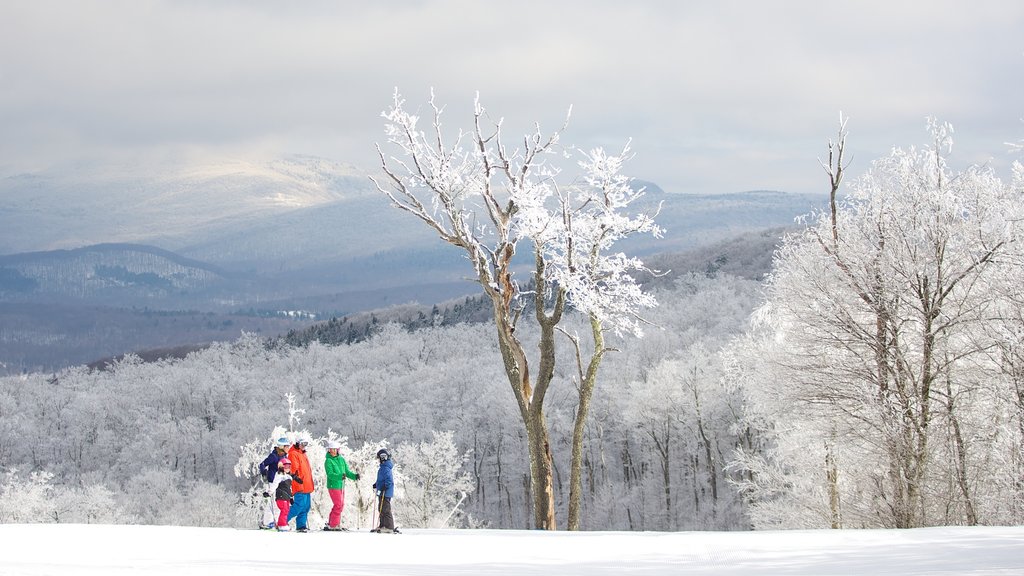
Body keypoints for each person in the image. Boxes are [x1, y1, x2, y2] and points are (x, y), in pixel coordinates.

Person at [324, 440, 360, 531]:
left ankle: (332, 523)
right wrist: (340, 476)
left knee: (341, 505)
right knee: (338, 505)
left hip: (341, 486)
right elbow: (330, 474)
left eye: (335, 449)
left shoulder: (341, 459)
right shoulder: (328, 461)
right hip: (333, 485)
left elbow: (347, 472)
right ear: (329, 450)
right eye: (331, 449)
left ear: (338, 450)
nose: (333, 451)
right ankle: (334, 525)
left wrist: (355, 476)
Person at [257, 436, 290, 529]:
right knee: (272, 503)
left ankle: (273, 521)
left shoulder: (284, 456)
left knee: (277, 504)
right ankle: (267, 522)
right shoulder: (274, 456)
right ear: (281, 447)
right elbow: (262, 464)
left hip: (280, 482)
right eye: (287, 446)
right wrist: (264, 473)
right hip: (272, 482)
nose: (288, 448)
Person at [286, 437, 314, 532]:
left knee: (306, 506)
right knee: (299, 505)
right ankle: (282, 521)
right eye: (302, 444)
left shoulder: (303, 454)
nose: (303, 446)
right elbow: (293, 469)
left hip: (307, 485)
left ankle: (301, 525)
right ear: (297, 443)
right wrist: (296, 478)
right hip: (299, 484)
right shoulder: (293, 454)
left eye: (305, 444)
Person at [270, 457, 302, 532]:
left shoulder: (288, 476)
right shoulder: (279, 476)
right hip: (281, 497)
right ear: (281, 467)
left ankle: (282, 524)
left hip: (286, 497)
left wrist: (291, 498)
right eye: (286, 466)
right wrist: (269, 492)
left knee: (286, 510)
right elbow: (274, 485)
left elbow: (289, 489)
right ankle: (282, 525)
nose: (288, 468)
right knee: (284, 510)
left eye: (289, 466)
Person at [371, 448, 399, 534]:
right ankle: (382, 525)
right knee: (381, 508)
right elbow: (381, 479)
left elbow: (389, 480)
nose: (378, 460)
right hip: (381, 491)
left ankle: (389, 527)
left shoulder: (386, 468)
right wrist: (376, 484)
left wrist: (384, 487)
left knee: (386, 509)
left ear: (383, 457)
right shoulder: (383, 467)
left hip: (385, 492)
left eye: (379, 458)